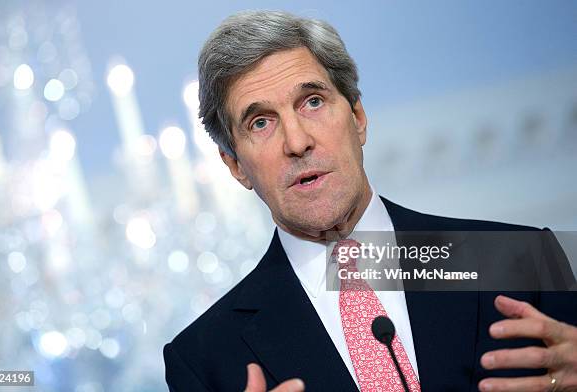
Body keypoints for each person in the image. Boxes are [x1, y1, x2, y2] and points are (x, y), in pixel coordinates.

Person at [164, 10, 577, 392]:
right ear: (235, 165)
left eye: (312, 101)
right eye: (261, 122)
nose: (297, 142)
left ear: (358, 118)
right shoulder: (205, 358)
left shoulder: (522, 262)